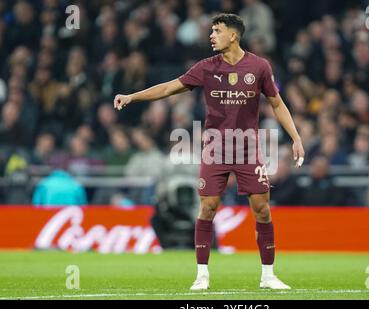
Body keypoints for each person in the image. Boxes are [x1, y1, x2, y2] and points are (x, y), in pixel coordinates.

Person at [114, 13, 305, 291]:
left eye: (217, 31)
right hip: (214, 147)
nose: (211, 36)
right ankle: (202, 275)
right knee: (207, 208)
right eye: (211, 31)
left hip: (247, 147)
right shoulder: (205, 67)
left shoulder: (259, 66)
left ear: (233, 35)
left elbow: (277, 104)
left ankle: (268, 276)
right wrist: (133, 96)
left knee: (262, 210)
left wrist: (296, 137)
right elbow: (169, 87)